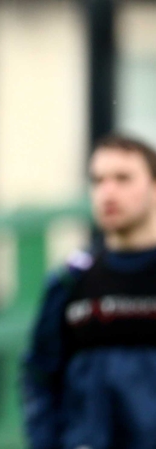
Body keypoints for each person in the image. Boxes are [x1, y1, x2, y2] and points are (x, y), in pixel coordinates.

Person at [23, 134, 156, 449]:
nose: (108, 192)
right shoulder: (70, 282)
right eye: (98, 180)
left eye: (123, 178)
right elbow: (40, 376)